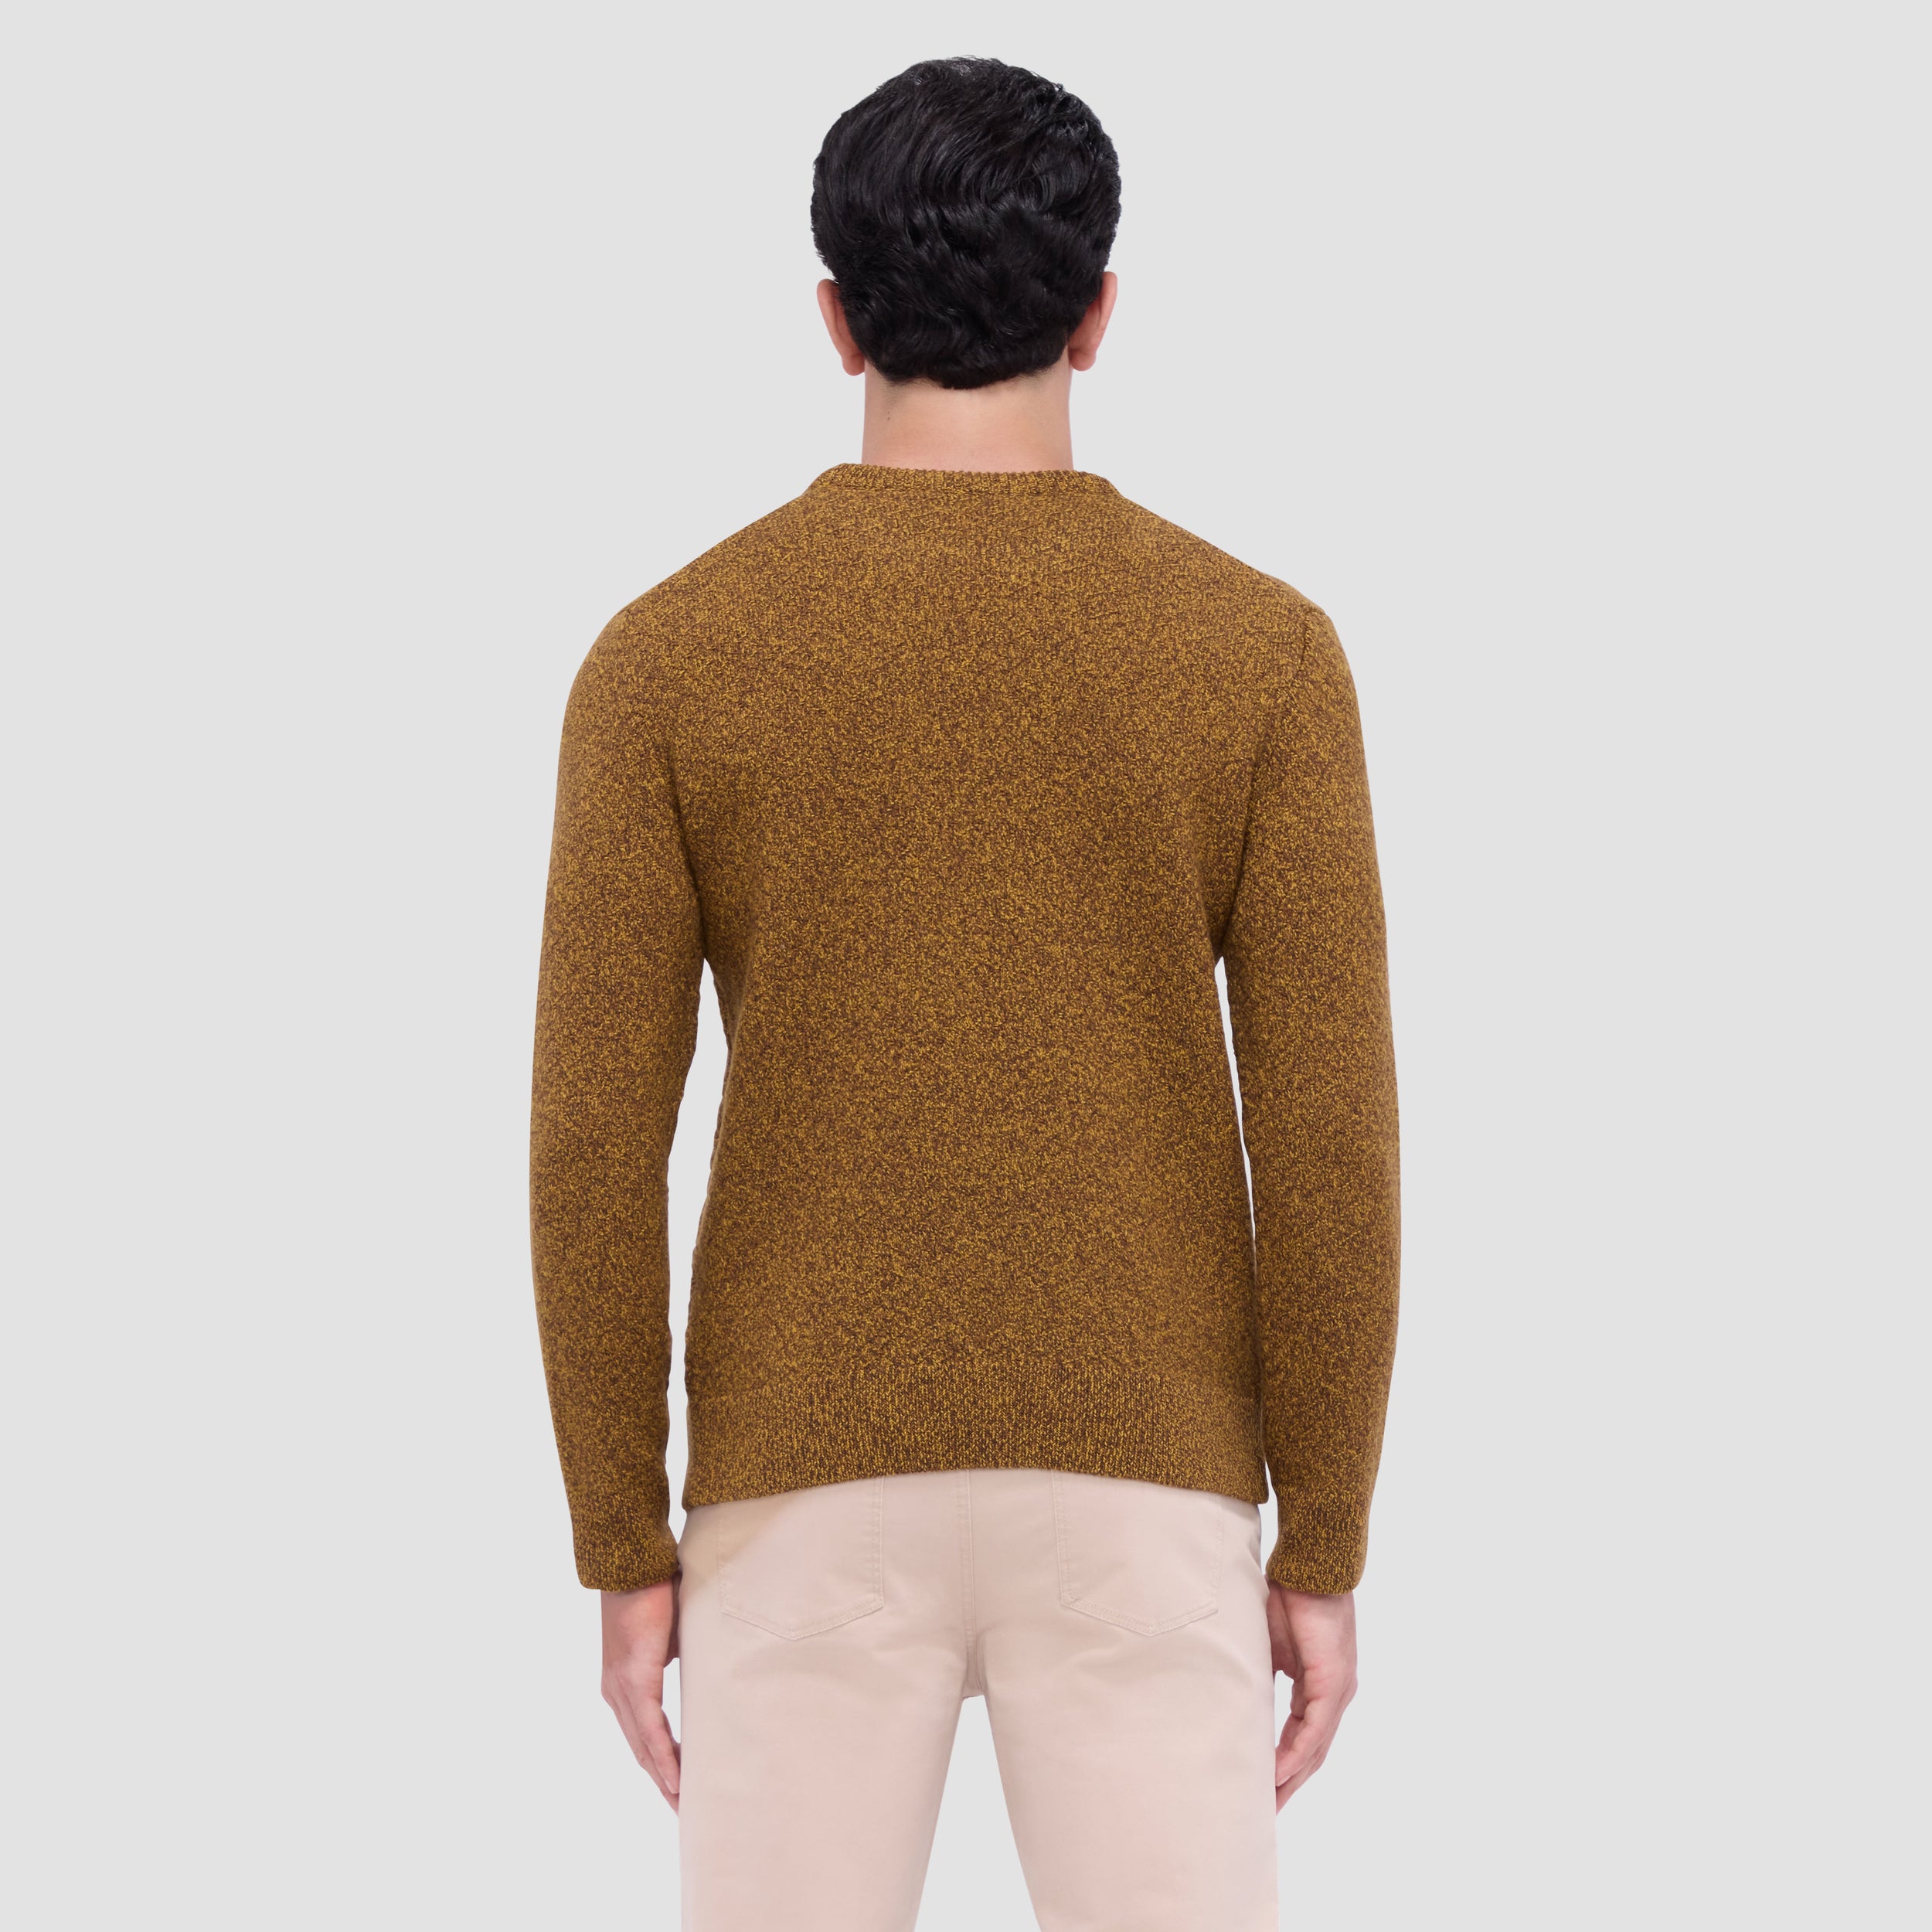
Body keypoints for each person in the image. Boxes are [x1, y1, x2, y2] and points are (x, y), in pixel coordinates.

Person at [530, 54, 1399, 1932]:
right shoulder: (1259, 653)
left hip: (795, 1484)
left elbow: (593, 1143)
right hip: (1145, 1474)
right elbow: (1328, 1137)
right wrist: (1320, 1531)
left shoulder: (667, 658)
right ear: (1098, 314)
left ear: (834, 320)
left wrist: (623, 1534)